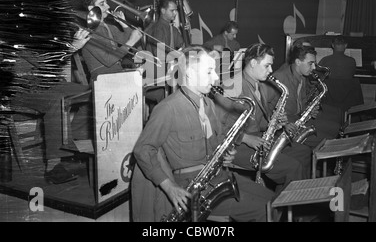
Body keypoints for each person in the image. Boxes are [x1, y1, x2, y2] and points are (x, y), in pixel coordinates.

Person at [132, 45, 274, 222]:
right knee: (263, 211)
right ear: (190, 73)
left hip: (218, 176)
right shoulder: (168, 108)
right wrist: (168, 186)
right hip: (192, 187)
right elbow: (143, 149)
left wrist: (226, 154)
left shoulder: (209, 104)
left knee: (273, 200)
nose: (215, 78)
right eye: (209, 72)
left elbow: (218, 140)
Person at [216, 43, 312, 191]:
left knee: (304, 153)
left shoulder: (259, 84)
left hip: (258, 138)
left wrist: (275, 122)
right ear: (253, 63)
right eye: (267, 65)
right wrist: (247, 138)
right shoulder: (231, 86)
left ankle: (298, 200)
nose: (271, 70)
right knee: (292, 167)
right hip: (235, 146)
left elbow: (257, 122)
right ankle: (286, 210)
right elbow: (218, 127)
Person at [9, 28, 93, 184]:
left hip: (46, 84)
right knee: (56, 100)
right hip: (19, 91)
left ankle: (72, 140)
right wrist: (71, 46)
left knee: (96, 92)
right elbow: (37, 59)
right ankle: (53, 168)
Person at [267, 44, 342, 150]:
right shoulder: (279, 77)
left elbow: (300, 103)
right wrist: (284, 124)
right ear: (298, 62)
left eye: (314, 64)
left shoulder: (302, 77)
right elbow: (264, 105)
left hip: (297, 120)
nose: (314, 68)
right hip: (283, 128)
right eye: (310, 63)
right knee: (328, 139)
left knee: (335, 128)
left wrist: (309, 110)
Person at [81, 0, 143, 81]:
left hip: (116, 75)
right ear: (91, 8)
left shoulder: (109, 27)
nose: (108, 6)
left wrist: (124, 24)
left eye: (106, 3)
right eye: (102, 4)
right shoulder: (88, 33)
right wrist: (131, 42)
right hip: (102, 80)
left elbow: (126, 41)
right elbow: (108, 60)